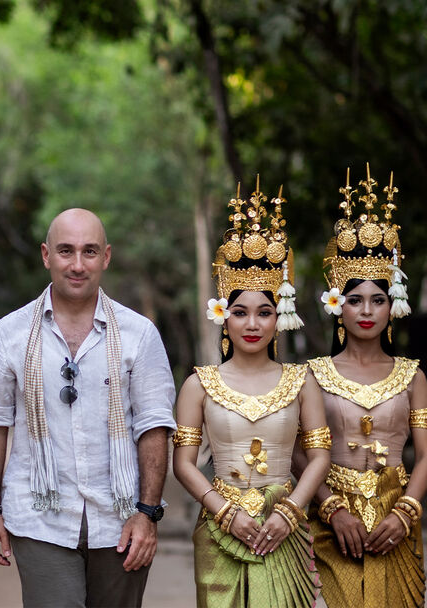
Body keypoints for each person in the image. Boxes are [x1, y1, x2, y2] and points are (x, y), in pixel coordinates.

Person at [0, 207, 176, 607]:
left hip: (121, 516)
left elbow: (153, 426)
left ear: (106, 257)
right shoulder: (8, 334)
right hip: (38, 515)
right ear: (46, 256)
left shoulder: (140, 334)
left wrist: (147, 514)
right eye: (66, 251)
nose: (78, 265)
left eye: (89, 251)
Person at [172, 180, 330, 607]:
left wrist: (290, 511)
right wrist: (223, 511)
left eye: (265, 312)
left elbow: (318, 458)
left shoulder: (302, 382)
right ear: (223, 317)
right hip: (220, 525)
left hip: (286, 524)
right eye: (240, 313)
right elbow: (183, 465)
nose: (253, 324)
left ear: (280, 316)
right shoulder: (198, 384)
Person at [295, 167, 427, 608]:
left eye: (378, 299)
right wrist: (330, 506)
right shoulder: (312, 375)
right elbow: (299, 451)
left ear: (393, 305)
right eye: (355, 300)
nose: (367, 311)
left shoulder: (413, 375)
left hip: (395, 515)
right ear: (338, 306)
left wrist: (405, 512)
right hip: (330, 518)